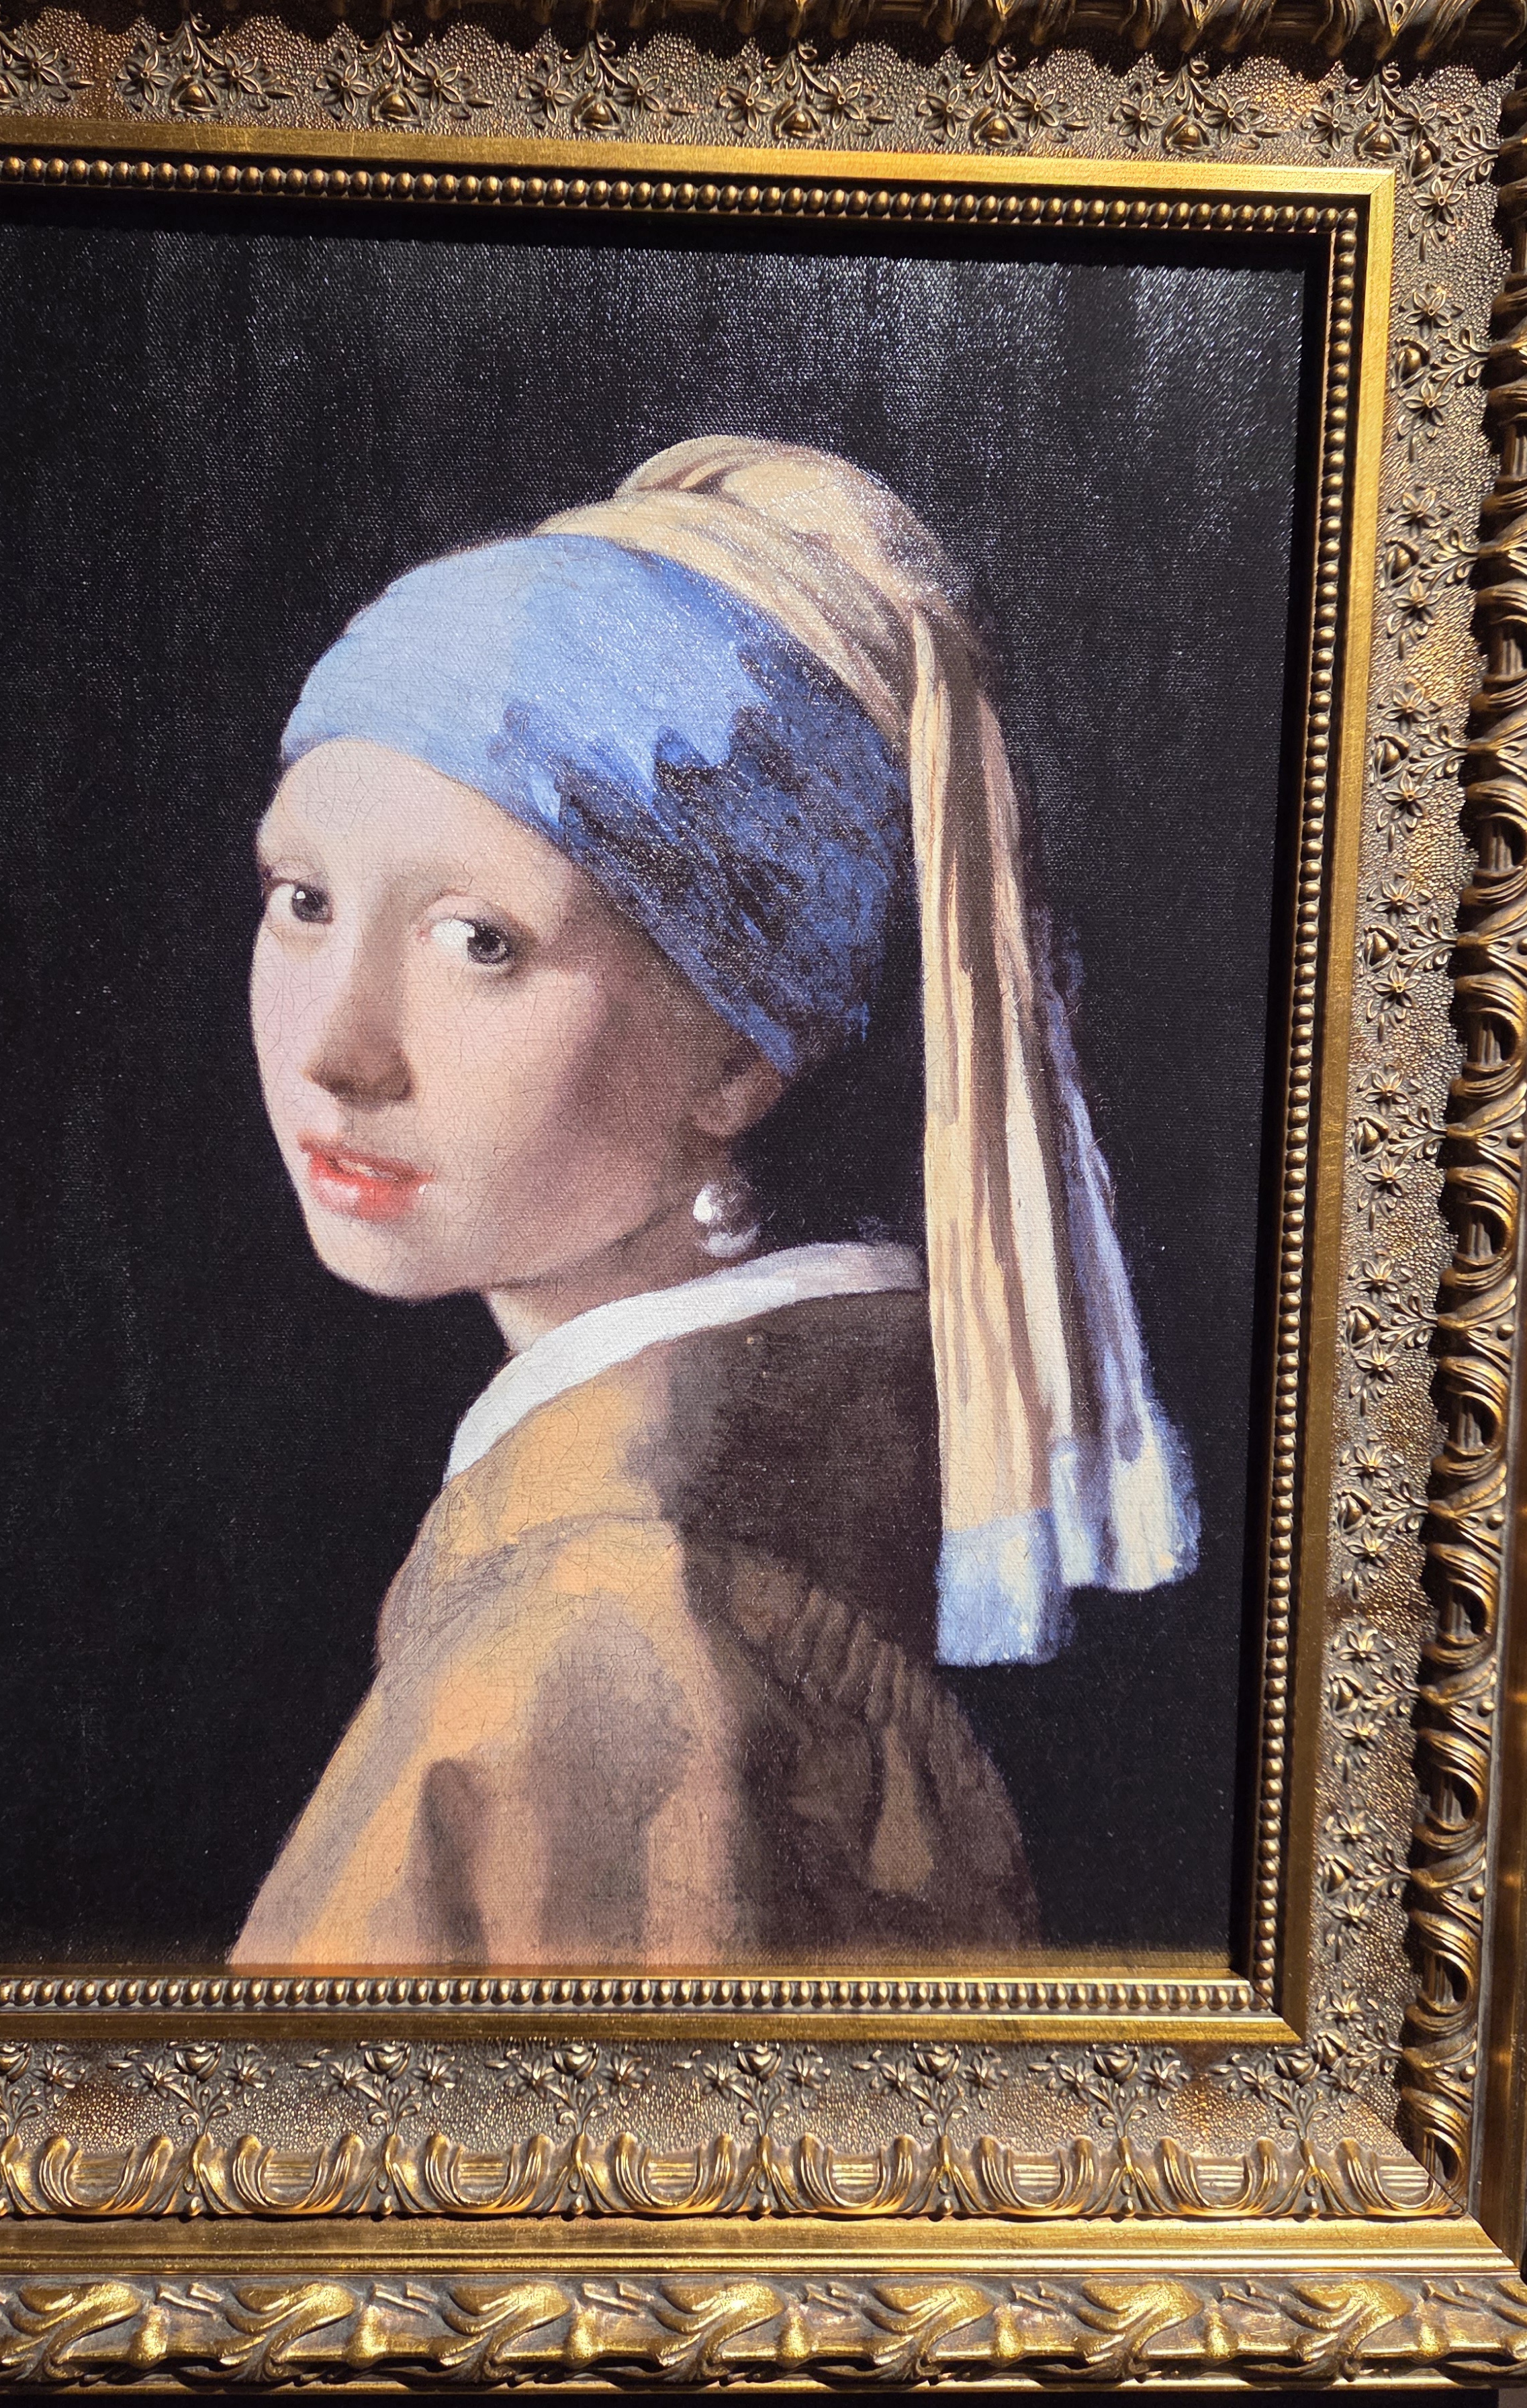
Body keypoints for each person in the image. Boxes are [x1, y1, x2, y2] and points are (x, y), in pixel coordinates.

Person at [229, 438, 1196, 1972]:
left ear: (742, 1053)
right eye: (304, 902)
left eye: (481, 941)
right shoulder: (708, 1546)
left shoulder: (605, 1638)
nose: (338, 1050)